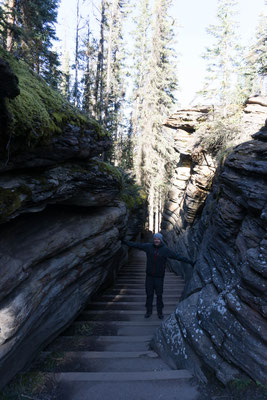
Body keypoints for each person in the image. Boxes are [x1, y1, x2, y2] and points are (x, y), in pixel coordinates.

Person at [122, 233, 194, 320]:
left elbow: (177, 256)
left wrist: (190, 262)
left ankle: (160, 313)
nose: (156, 240)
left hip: (159, 277)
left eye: (158, 239)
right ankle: (149, 312)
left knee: (159, 295)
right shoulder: (148, 247)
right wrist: (124, 242)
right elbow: (137, 245)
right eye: (155, 239)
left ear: (161, 240)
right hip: (149, 276)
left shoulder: (165, 250)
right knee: (149, 294)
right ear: (154, 239)